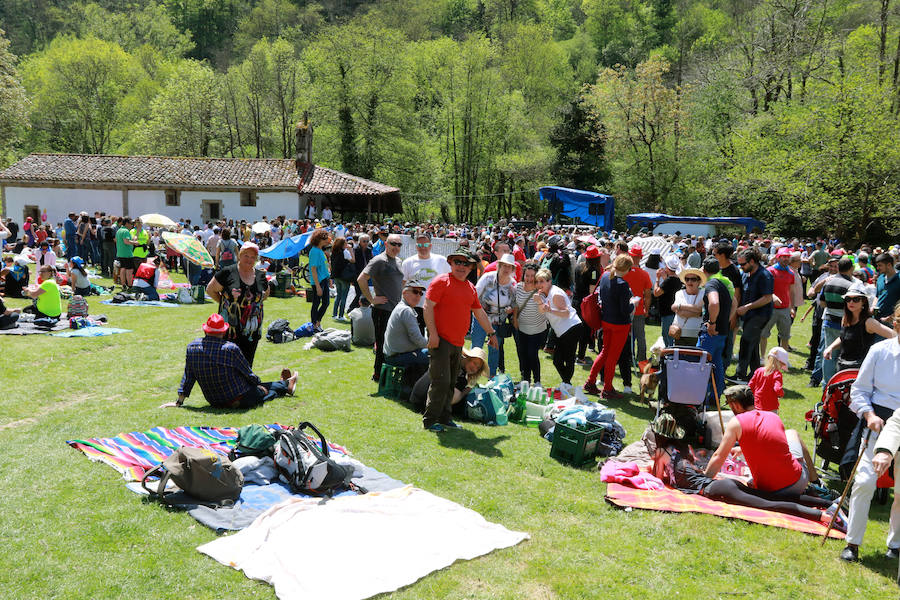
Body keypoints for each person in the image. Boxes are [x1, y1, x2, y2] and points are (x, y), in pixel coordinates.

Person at [651, 414, 837, 526]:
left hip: (715, 489)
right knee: (772, 498)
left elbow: (658, 478)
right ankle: (828, 503)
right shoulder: (685, 449)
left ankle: (822, 515)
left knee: (768, 505)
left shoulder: (660, 452)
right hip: (723, 484)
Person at [840, 302, 900, 562]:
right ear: (895, 323)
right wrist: (870, 415)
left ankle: (895, 545)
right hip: (878, 421)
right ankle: (852, 544)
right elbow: (859, 390)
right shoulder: (879, 350)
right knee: (864, 482)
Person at [422, 247, 497, 432]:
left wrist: (491, 333)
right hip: (441, 341)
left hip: (458, 343)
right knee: (440, 381)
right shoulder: (441, 281)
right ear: (450, 263)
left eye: (466, 263)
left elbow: (479, 312)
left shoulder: (470, 288)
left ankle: (446, 418)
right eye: (458, 262)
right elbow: (427, 307)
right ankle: (430, 421)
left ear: (472, 267)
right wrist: (432, 334)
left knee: (450, 383)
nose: (461, 266)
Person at [705, 384, 820, 498]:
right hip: (797, 484)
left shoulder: (736, 422)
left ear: (735, 405)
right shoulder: (773, 417)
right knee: (792, 433)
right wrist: (743, 449)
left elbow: (719, 456)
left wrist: (704, 481)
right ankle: (815, 482)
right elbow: (774, 445)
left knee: (791, 433)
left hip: (767, 490)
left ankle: (814, 484)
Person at [161, 314, 298, 409]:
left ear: (205, 330)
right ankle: (285, 386)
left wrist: (179, 402)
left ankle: (285, 384)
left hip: (214, 401)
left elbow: (188, 376)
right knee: (265, 392)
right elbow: (248, 375)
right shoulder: (230, 348)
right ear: (223, 331)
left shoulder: (192, 347)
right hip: (236, 398)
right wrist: (259, 386)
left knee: (259, 388)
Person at [583, 254, 639, 399]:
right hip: (619, 324)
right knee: (612, 357)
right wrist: (633, 304)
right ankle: (607, 388)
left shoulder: (605, 276)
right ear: (627, 268)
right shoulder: (622, 284)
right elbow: (624, 310)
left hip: (606, 321)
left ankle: (591, 382)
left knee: (604, 352)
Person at [206, 242, 270, 367]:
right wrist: (225, 303)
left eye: (253, 257)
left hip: (252, 330)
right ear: (239, 255)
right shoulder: (227, 272)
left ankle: (246, 385)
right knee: (227, 363)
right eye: (246, 255)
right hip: (230, 329)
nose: (249, 259)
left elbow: (266, 293)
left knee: (247, 364)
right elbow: (210, 289)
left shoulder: (260, 275)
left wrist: (255, 304)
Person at [358, 233, 404, 381]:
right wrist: (371, 299)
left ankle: (387, 373)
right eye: (393, 244)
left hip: (395, 310)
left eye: (399, 244)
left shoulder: (398, 261)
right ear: (386, 244)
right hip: (382, 310)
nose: (396, 247)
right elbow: (361, 279)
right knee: (382, 343)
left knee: (392, 343)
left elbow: (400, 283)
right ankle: (378, 374)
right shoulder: (379, 260)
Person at [822, 283, 895, 371]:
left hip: (860, 370)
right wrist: (831, 347)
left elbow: (894, 336)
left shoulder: (869, 322)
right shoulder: (845, 319)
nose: (851, 302)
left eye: (856, 299)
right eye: (848, 299)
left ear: (863, 301)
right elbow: (843, 337)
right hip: (842, 367)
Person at [472, 254, 517, 377]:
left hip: (498, 321)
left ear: (513, 269)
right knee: (476, 348)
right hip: (481, 318)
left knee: (495, 349)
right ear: (499, 266)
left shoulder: (513, 285)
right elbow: (474, 295)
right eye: (504, 266)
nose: (506, 269)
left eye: (509, 267)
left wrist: (510, 309)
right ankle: (470, 376)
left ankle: (491, 377)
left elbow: (514, 304)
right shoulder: (487, 278)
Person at [734, 248, 774, 382]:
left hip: (760, 314)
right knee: (753, 343)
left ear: (752, 261)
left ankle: (740, 375)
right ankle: (756, 374)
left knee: (745, 341)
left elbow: (768, 298)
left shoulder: (765, 275)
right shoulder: (746, 274)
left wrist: (747, 307)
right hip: (748, 315)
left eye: (743, 264)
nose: (741, 267)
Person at [409, 346, 489, 413]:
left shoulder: (450, 361)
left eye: (478, 368)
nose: (475, 368)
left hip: (415, 399)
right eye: (474, 363)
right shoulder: (460, 375)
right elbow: (451, 399)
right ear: (467, 358)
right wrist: (464, 393)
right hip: (426, 406)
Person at [697, 258, 732, 403]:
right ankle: (715, 397)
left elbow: (714, 302)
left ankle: (699, 397)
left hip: (712, 332)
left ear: (704, 270)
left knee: (702, 364)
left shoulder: (711, 284)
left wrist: (712, 323)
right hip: (722, 331)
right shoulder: (722, 283)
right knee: (717, 365)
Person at [819, 257, 856, 386]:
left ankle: (826, 384)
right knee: (842, 356)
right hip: (843, 324)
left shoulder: (828, 282)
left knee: (828, 354)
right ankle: (839, 384)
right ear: (851, 269)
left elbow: (822, 303)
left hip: (828, 321)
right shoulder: (851, 285)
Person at [401, 231, 450, 326]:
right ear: (416, 246)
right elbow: (403, 284)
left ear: (430, 245)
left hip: (436, 306)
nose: (423, 247)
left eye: (426, 244)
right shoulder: (408, 262)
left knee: (435, 336)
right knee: (416, 337)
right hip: (415, 306)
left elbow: (449, 281)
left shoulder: (441, 260)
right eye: (419, 245)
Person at [512, 262, 548, 385]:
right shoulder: (518, 287)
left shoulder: (541, 291)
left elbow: (544, 309)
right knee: (523, 355)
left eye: (532, 276)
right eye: (527, 275)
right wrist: (515, 319)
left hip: (538, 329)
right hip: (521, 328)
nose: (529, 278)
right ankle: (526, 379)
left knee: (532, 354)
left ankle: (537, 380)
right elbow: (516, 304)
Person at [383, 280, 429, 368]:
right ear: (404, 292)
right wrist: (433, 347)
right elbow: (417, 339)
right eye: (415, 292)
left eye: (421, 293)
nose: (418, 296)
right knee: (437, 358)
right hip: (398, 357)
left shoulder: (403, 307)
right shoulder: (406, 310)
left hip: (394, 355)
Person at [760, 247, 796, 356]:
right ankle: (762, 357)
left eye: (787, 257)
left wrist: (792, 307)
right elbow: (763, 289)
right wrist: (773, 297)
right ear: (778, 257)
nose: (785, 259)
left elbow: (792, 292)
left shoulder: (791, 273)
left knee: (785, 336)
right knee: (763, 334)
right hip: (769, 308)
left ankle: (782, 359)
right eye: (783, 257)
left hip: (785, 309)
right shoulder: (770, 271)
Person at [573, 246, 603, 365]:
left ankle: (574, 354)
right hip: (586, 304)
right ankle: (581, 357)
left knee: (575, 329)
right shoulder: (594, 271)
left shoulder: (579, 266)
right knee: (585, 331)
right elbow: (592, 291)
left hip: (576, 301)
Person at [670, 266, 706, 347]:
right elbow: (678, 312)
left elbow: (700, 310)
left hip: (697, 334)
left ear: (699, 281)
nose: (690, 282)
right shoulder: (679, 293)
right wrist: (695, 311)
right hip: (679, 333)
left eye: (693, 279)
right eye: (687, 279)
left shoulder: (703, 293)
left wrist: (680, 306)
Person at [654, 255, 683, 347]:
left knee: (667, 336)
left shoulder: (669, 280)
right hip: (673, 311)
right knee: (671, 335)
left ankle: (669, 356)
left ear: (667, 266)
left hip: (667, 312)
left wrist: (657, 279)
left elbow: (656, 293)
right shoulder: (677, 279)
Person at [749, 347, 788, 413]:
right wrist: (782, 394)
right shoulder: (777, 374)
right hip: (771, 407)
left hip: (757, 405)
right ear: (780, 363)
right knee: (771, 423)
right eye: (782, 365)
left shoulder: (759, 371)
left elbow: (750, 386)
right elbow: (777, 389)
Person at [307, 228, 331, 332]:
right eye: (325, 238)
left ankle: (317, 322)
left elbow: (324, 267)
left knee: (326, 303)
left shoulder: (320, 250)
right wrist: (317, 286)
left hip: (324, 280)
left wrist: (328, 279)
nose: (327, 240)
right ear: (319, 239)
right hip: (318, 282)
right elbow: (313, 269)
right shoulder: (314, 251)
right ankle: (314, 325)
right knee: (316, 303)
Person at [330, 236, 355, 322]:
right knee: (344, 296)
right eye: (345, 243)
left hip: (336, 276)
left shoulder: (333, 252)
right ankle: (340, 315)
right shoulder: (345, 252)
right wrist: (351, 250)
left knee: (338, 295)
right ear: (342, 244)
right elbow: (353, 260)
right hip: (344, 277)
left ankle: (334, 314)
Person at [347, 233, 373, 312]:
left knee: (363, 292)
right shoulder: (356, 250)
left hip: (366, 275)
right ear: (359, 242)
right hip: (357, 275)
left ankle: (357, 308)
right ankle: (351, 308)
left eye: (367, 241)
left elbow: (371, 261)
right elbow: (352, 264)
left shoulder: (369, 250)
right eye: (364, 241)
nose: (365, 243)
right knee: (359, 293)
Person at [875, 253, 900, 324]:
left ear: (889, 265)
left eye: (880, 265)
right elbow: (877, 296)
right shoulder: (880, 278)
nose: (877, 268)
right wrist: (873, 307)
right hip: (878, 320)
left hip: (894, 322)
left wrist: (892, 317)